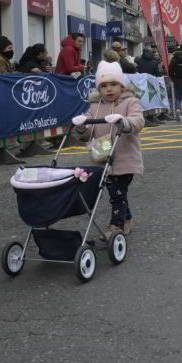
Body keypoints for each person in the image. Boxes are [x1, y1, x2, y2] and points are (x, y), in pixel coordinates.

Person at [71, 61, 145, 235]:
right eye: (103, 86)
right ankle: (127, 218)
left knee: (117, 194)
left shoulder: (130, 102)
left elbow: (138, 121)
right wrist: (82, 125)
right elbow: (88, 132)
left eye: (113, 84)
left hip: (124, 158)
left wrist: (123, 121)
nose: (109, 89)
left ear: (121, 85)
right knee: (117, 192)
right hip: (103, 157)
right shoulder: (95, 107)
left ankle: (116, 225)